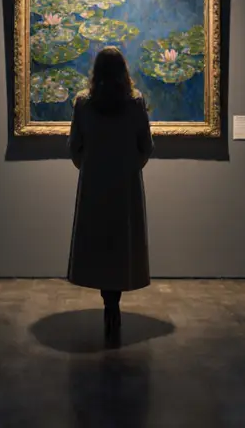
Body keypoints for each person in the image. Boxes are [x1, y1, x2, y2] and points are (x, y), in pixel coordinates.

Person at [66, 47, 154, 343]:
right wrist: (129, 166)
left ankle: (108, 302)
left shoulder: (82, 102)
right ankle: (114, 303)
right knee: (121, 241)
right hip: (125, 182)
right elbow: (147, 147)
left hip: (94, 183)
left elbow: (75, 147)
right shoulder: (136, 102)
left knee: (99, 240)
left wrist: (90, 167)